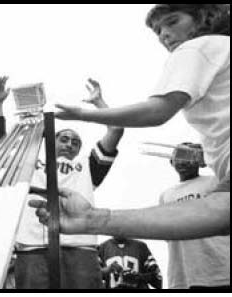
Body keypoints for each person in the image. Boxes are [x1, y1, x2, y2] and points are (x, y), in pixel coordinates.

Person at [34, 4, 230, 240]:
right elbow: (218, 211)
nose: (163, 34)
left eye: (173, 21)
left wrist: (83, 114)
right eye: (157, 30)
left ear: (204, 17)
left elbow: (157, 111)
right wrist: (94, 219)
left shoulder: (196, 48)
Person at [0, 77, 124, 289]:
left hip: (80, 247)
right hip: (33, 245)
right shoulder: (31, 162)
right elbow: (1, 145)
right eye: (64, 138)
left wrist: (99, 103)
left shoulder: (88, 166)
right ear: (51, 141)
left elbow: (116, 130)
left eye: (75, 142)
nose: (70, 144)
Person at [159, 143, 230, 289]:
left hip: (219, 270)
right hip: (183, 275)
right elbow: (166, 232)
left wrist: (210, 159)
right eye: (179, 157)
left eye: (189, 157)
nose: (183, 162)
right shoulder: (166, 195)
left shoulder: (215, 182)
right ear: (171, 162)